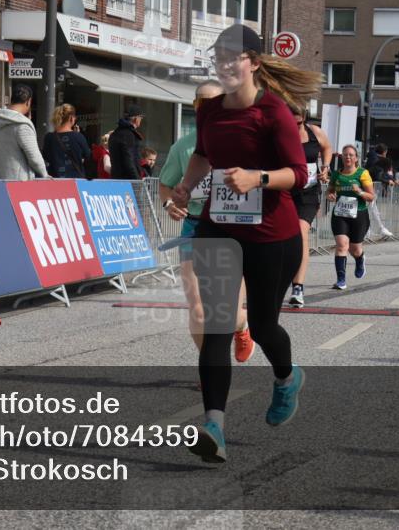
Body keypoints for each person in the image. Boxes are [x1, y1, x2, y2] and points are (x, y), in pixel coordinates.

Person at [171, 23, 317, 463]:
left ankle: (287, 378)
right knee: (217, 325)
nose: (226, 64)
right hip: (220, 228)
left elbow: (300, 173)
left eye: (234, 57)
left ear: (253, 62)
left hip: (273, 235)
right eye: (219, 57)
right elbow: (203, 155)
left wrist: (259, 178)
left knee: (266, 326)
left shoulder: (274, 112)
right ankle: (213, 424)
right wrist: (183, 188)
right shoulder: (212, 110)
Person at [159, 80, 255, 366]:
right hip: (195, 227)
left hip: (234, 230)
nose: (206, 108)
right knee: (199, 310)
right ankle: (211, 366)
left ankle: (242, 327)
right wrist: (169, 204)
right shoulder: (183, 147)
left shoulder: (245, 140)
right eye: (201, 103)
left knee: (231, 313)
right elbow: (165, 186)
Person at [287, 103, 331, 306]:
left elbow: (327, 148)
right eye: (292, 122)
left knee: (300, 230)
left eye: (299, 122)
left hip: (309, 192)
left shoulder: (315, 132)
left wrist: (326, 166)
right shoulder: (280, 133)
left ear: (304, 118)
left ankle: (298, 287)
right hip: (285, 191)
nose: (296, 126)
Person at [325, 144, 374, 290]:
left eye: (351, 155)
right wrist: (330, 195)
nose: (348, 157)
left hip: (359, 214)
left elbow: (371, 197)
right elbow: (329, 191)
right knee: (341, 245)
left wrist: (359, 191)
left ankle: (360, 258)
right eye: (345, 155)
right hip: (340, 214)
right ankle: (341, 280)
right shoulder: (336, 174)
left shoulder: (362, 173)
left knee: (355, 249)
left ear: (356, 158)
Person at [0, 85, 49, 181]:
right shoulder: (22, 125)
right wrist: (45, 174)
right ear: (28, 101)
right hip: (17, 185)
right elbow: (34, 157)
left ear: (12, 99)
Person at [42, 103, 91, 179]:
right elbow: (88, 156)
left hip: (55, 180)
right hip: (75, 181)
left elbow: (46, 156)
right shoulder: (79, 137)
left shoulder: (49, 137)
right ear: (71, 118)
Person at [108, 105, 145, 179]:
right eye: (141, 117)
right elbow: (129, 160)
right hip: (128, 181)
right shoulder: (129, 135)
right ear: (136, 119)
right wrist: (137, 180)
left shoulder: (115, 134)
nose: (141, 120)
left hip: (116, 178)